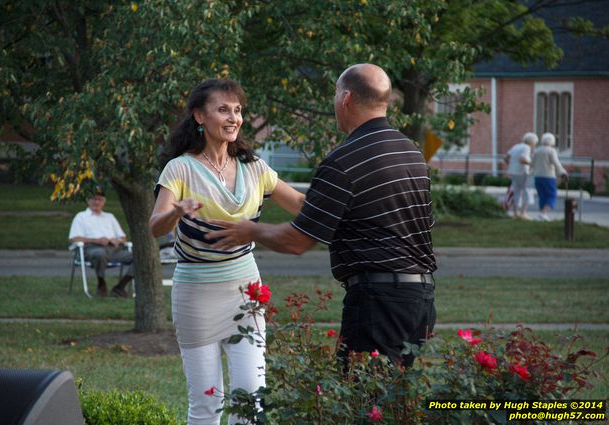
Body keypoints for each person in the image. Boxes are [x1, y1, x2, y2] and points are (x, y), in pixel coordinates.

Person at [206, 64, 437, 368]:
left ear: (346, 98)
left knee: (363, 397)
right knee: (396, 402)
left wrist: (250, 231)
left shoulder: (344, 161)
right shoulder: (410, 152)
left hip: (379, 302)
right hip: (422, 299)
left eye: (334, 93)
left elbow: (297, 241)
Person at [148, 79, 304, 425]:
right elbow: (156, 225)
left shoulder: (256, 168)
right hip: (196, 298)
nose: (234, 118)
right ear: (199, 117)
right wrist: (176, 212)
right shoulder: (180, 168)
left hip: (246, 293)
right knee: (206, 406)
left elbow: (302, 206)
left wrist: (351, 203)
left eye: (238, 110)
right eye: (223, 109)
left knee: (252, 402)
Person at [68, 188, 133, 298]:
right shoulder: (81, 217)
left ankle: (121, 286)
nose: (97, 202)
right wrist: (96, 240)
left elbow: (123, 237)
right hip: (91, 249)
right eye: (94, 199)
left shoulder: (109, 217)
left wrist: (116, 240)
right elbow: (74, 238)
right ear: (88, 201)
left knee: (140, 257)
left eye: (100, 199)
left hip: (113, 250)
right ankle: (101, 283)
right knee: (99, 253)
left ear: (104, 201)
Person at [532, 132, 568, 221]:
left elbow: (532, 163)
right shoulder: (551, 151)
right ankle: (544, 213)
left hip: (537, 176)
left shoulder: (536, 150)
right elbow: (556, 163)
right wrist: (563, 173)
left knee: (542, 195)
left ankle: (541, 213)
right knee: (552, 195)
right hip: (549, 176)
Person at [504, 132, 538, 220]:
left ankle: (515, 213)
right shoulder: (527, 148)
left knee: (516, 191)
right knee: (527, 191)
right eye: (535, 143)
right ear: (532, 142)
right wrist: (532, 164)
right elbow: (522, 159)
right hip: (523, 172)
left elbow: (506, 157)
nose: (535, 145)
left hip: (513, 172)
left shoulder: (516, 146)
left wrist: (511, 165)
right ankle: (523, 213)